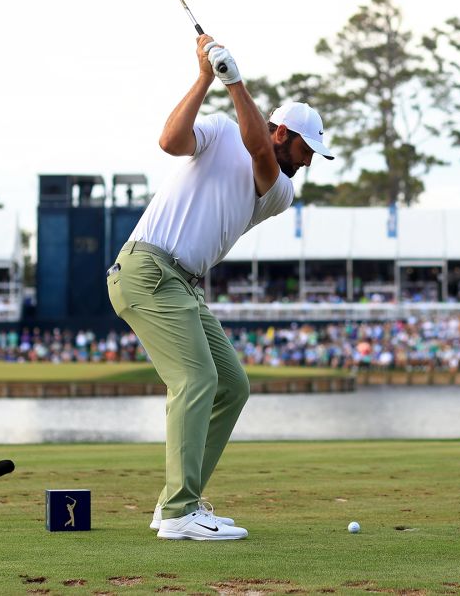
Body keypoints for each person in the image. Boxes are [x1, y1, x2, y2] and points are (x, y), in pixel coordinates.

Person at [107, 35, 333, 541]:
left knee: (231, 384)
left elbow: (260, 152)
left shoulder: (280, 188)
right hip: (148, 269)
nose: (310, 161)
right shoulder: (218, 130)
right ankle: (180, 513)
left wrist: (234, 81)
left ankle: (176, 501)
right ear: (283, 131)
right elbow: (169, 142)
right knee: (194, 381)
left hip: (181, 283)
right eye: (306, 147)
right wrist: (207, 77)